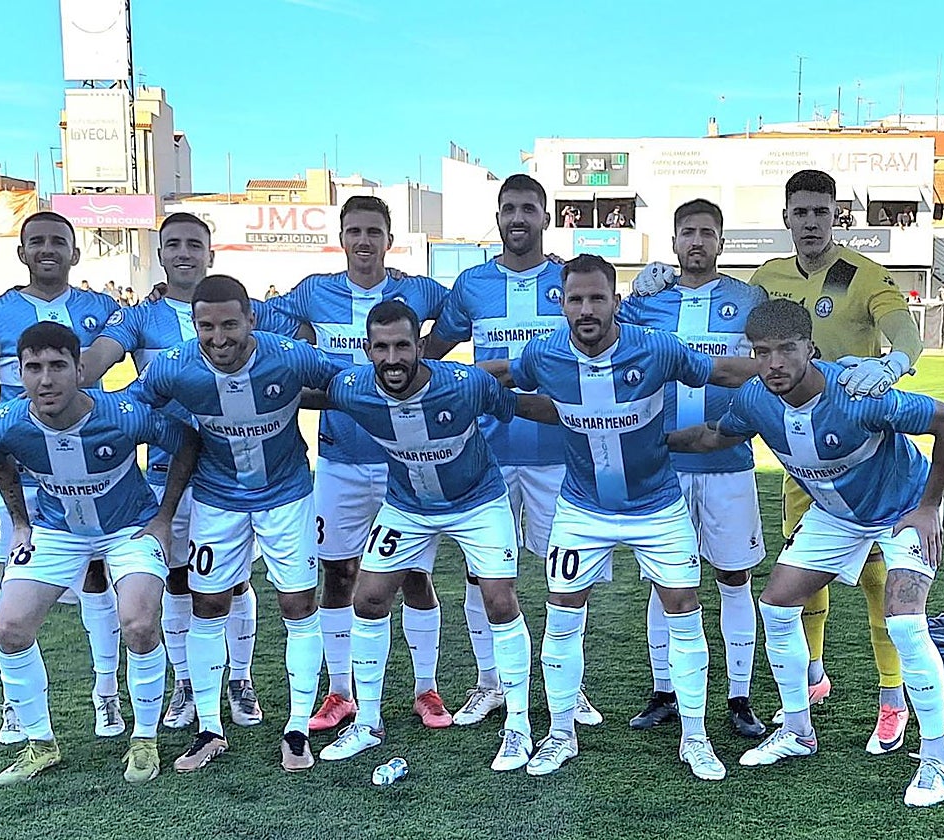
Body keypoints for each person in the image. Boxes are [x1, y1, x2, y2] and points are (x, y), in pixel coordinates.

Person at [632, 169, 926, 754]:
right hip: (798, 451)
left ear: (837, 214)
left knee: (875, 579)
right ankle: (809, 680)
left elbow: (905, 331)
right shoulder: (765, 281)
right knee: (798, 581)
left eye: (822, 211)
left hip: (863, 445)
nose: (811, 221)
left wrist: (894, 364)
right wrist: (644, 290)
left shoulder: (864, 276)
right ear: (786, 217)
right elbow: (732, 330)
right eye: (801, 212)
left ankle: (891, 698)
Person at [668, 298, 944, 807]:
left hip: (903, 507)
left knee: (905, 624)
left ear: (811, 347)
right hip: (836, 515)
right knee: (777, 605)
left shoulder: (856, 397)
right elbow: (716, 436)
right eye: (762, 352)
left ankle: (938, 758)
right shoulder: (755, 400)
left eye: (787, 349)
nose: (775, 363)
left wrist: (931, 504)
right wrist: (650, 441)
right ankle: (799, 732)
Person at [483, 254, 759, 780]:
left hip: (657, 506)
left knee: (684, 607)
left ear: (616, 301)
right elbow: (501, 374)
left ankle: (695, 738)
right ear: (561, 303)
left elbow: (722, 369)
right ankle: (560, 734)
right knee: (562, 614)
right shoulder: (544, 354)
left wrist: (797, 371)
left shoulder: (653, 347)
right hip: (582, 510)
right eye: (575, 299)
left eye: (597, 298)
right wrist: (436, 380)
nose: (586, 309)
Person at [311, 300, 553, 771]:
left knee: (500, 602)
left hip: (479, 502)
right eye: (381, 348)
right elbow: (297, 393)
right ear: (367, 350)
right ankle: (369, 722)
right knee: (369, 598)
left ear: (420, 346)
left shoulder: (465, 385)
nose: (393, 358)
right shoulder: (353, 388)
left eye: (403, 345)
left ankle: (519, 728)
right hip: (408, 507)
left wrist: (586, 414)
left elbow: (515, 404)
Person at [80, 213, 299, 733]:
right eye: (173, 244)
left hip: (235, 468)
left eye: (194, 244)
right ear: (160, 255)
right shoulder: (139, 318)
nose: (184, 253)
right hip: (165, 471)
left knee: (237, 581)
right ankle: (186, 683)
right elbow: (92, 371)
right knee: (180, 578)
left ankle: (240, 681)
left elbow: (305, 332)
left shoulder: (248, 310)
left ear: (210, 254)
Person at [130, 274, 340, 773]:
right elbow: (133, 404)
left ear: (251, 318)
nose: (219, 337)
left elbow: (342, 383)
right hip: (217, 498)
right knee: (208, 605)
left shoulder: (289, 356)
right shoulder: (177, 365)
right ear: (195, 325)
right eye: (207, 326)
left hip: (286, 495)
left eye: (230, 324)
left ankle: (296, 728)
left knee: (297, 603)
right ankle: (209, 728)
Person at [0, 322, 199, 786]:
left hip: (128, 528)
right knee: (9, 625)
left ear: (80, 369)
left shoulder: (122, 414)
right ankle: (40, 743)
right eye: (33, 368)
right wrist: (21, 521)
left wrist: (162, 519)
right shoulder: (7, 423)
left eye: (57, 366)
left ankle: (144, 739)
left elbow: (186, 443)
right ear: (19, 374)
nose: (46, 379)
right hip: (58, 532)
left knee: (139, 622)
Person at [268, 196, 455, 734]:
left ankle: (427, 689)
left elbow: (463, 310)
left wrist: (431, 355)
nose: (364, 241)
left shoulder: (418, 289)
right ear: (342, 237)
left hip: (407, 456)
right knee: (339, 572)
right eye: (354, 231)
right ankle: (341, 691)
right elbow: (270, 325)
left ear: (389, 237)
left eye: (374, 231)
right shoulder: (312, 290)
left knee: (415, 574)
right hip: (340, 460)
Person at [423, 174, 603, 728]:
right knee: (483, 575)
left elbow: (620, 325)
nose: (518, 218)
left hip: (559, 451)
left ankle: (567, 691)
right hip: (489, 455)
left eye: (529, 208)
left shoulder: (570, 282)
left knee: (563, 574)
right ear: (497, 217)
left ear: (547, 217)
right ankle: (490, 683)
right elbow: (433, 352)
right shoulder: (472, 283)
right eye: (508, 209)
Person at [0, 211, 125, 746]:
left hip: (89, 473)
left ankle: (107, 692)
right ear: (21, 252)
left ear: (76, 252)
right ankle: (15, 706)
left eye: (59, 241)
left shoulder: (103, 309)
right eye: (37, 241)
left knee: (98, 576)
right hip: (18, 477)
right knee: (12, 583)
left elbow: (112, 376)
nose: (48, 249)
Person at [618, 199, 769, 737]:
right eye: (688, 232)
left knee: (734, 576)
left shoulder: (749, 299)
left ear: (722, 242)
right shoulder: (648, 303)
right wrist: (631, 292)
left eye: (708, 232)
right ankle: (665, 691)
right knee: (665, 582)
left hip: (729, 463)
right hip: (664, 467)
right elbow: (605, 340)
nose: (698, 241)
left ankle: (738, 696)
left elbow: (771, 358)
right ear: (674, 241)